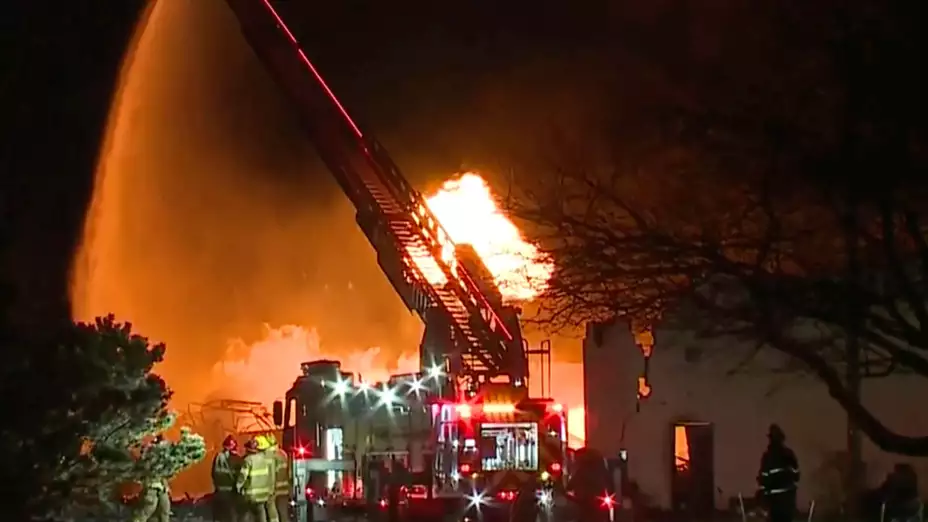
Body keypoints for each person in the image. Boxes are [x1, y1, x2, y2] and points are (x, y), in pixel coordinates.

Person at [757, 424, 800, 522]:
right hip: (788, 502)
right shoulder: (789, 455)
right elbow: (797, 476)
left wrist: (763, 496)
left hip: (774, 504)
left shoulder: (768, 457)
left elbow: (764, 479)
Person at [134, 436, 171, 522]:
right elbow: (145, 469)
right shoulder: (149, 457)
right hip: (151, 486)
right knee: (147, 509)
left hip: (161, 488)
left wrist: (165, 485)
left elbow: (164, 473)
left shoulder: (163, 459)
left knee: (165, 510)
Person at [237, 437, 273, 522]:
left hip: (252, 494)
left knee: (246, 514)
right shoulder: (264, 459)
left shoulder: (248, 460)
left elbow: (243, 476)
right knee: (261, 512)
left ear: (248, 449)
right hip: (263, 494)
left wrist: (238, 486)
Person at [213, 435, 242, 522]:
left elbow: (213, 473)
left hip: (219, 491)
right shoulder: (236, 459)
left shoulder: (218, 457)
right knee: (231, 516)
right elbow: (240, 476)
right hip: (231, 492)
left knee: (220, 516)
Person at [264, 434, 290, 522]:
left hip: (274, 491)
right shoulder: (283, 454)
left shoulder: (270, 456)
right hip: (285, 490)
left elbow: (270, 474)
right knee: (284, 515)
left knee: (273, 516)